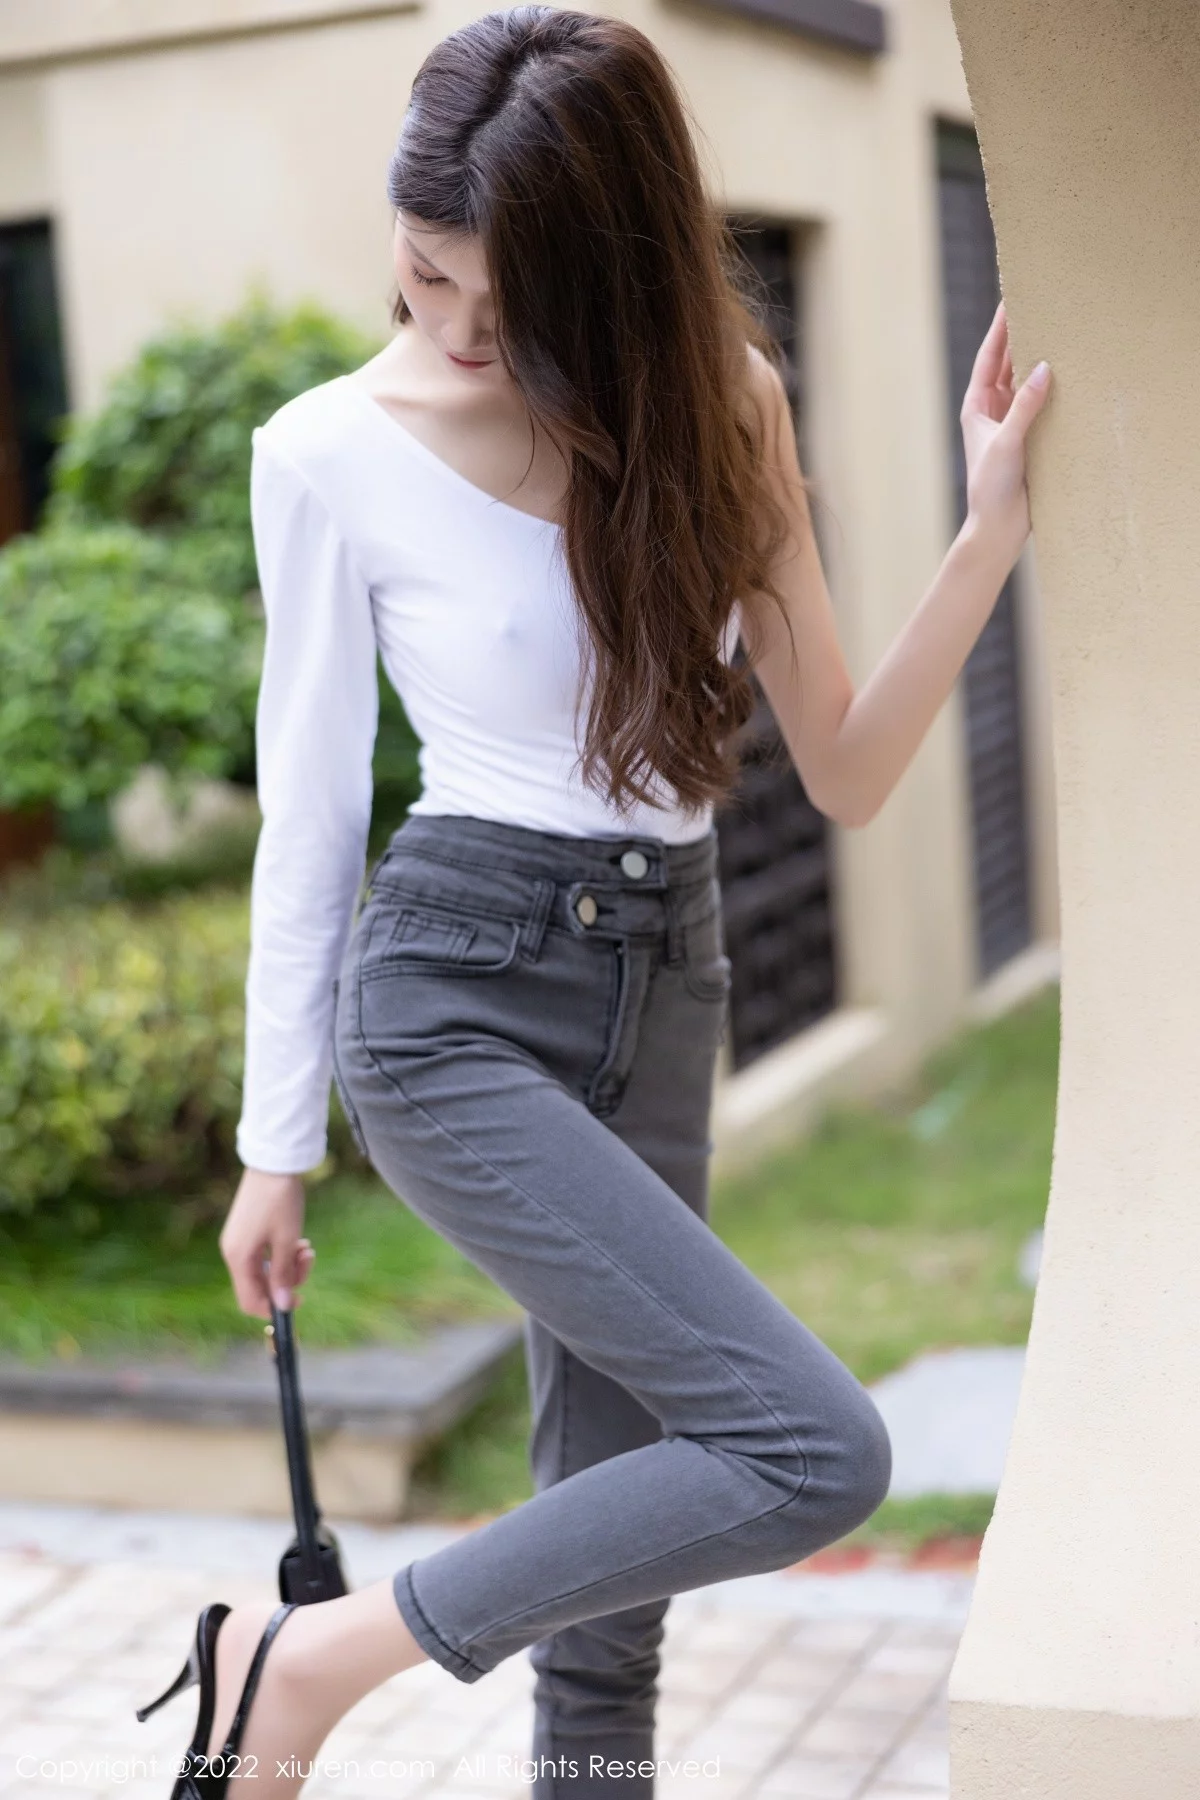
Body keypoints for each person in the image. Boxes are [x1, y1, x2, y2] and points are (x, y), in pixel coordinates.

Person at [135, 7, 1051, 1795]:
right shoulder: (325, 451)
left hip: (669, 972)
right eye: (427, 277)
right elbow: (310, 817)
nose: (462, 332)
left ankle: (390, 1693)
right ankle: (310, 1665)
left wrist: (989, 531)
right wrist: (274, 1146)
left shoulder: (723, 402)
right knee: (811, 1447)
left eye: (513, 300)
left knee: (628, 1554)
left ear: (609, 276)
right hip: (454, 994)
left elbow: (848, 767)